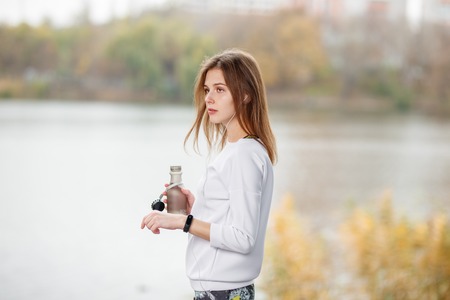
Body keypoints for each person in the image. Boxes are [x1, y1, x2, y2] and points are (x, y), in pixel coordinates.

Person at [141, 48, 277, 300]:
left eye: (220, 89)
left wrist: (183, 222)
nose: (209, 99)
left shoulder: (244, 155)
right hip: (219, 290)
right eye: (207, 90)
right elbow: (232, 220)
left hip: (224, 292)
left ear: (246, 94)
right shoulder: (239, 150)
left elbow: (243, 238)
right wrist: (199, 208)